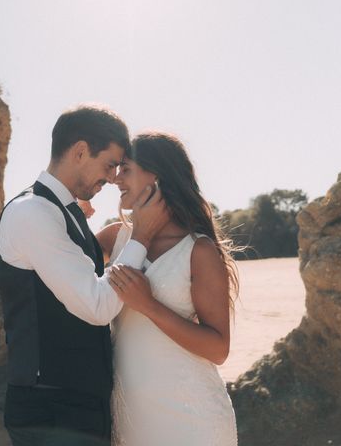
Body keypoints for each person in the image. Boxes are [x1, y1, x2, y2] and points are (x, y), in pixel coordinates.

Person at [0, 106, 168, 446]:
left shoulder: (62, 212)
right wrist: (141, 237)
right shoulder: (32, 213)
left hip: (78, 406)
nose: (113, 178)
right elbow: (97, 305)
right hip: (50, 409)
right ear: (79, 151)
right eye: (108, 165)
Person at [96, 132, 239, 446]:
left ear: (156, 177)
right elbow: (66, 267)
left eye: (126, 169)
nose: (116, 178)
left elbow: (218, 349)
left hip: (192, 420)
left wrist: (148, 305)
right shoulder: (115, 238)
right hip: (133, 419)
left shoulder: (197, 251)